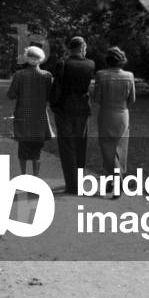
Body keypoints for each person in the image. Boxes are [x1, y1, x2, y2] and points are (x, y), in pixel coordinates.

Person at [50, 36, 96, 194]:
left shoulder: (62, 64)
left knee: (67, 147)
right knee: (80, 145)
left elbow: (56, 87)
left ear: (70, 48)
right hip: (83, 108)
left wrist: (54, 105)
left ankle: (72, 185)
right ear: (82, 47)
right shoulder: (90, 64)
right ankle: (80, 181)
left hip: (64, 109)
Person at [91, 46, 135, 199]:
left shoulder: (101, 75)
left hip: (106, 114)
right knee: (120, 149)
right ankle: (113, 179)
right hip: (123, 114)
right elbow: (132, 99)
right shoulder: (129, 76)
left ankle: (117, 181)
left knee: (107, 148)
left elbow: (97, 98)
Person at [6, 46, 53, 176]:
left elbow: (11, 95)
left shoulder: (19, 75)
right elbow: (50, 96)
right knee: (37, 151)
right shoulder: (47, 76)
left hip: (23, 116)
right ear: (41, 58)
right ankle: (35, 177)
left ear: (27, 58)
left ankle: (23, 175)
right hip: (39, 116)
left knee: (23, 149)